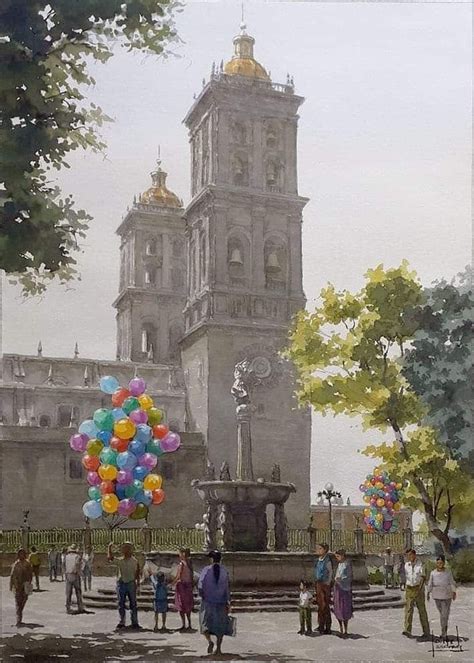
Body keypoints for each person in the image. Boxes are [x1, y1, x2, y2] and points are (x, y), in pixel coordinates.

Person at [198, 550, 231, 656]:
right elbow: (227, 588)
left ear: (211, 559)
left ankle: (210, 641)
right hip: (221, 602)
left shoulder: (206, 570)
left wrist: (202, 595)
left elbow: (200, 585)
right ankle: (219, 648)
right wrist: (228, 601)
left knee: (204, 625)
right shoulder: (224, 571)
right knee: (220, 626)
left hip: (208, 602)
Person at [108, 541, 141, 630]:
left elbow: (138, 573)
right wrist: (109, 548)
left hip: (131, 583)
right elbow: (110, 558)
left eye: (128, 548)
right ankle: (122, 621)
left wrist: (138, 584)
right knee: (121, 603)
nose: (126, 550)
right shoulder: (120, 560)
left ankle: (134, 622)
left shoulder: (135, 561)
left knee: (133, 604)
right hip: (121, 583)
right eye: (124, 548)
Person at [403, 548, 430, 640]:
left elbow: (423, 577)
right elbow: (407, 576)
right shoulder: (406, 565)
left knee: (421, 610)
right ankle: (407, 630)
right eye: (407, 555)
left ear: (414, 555)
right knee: (408, 609)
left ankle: (426, 631)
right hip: (409, 588)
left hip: (418, 588)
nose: (409, 557)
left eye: (410, 555)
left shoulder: (421, 564)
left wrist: (419, 589)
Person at [427, 555, 457, 639]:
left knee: (444, 614)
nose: (439, 564)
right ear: (436, 563)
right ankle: (443, 630)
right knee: (442, 614)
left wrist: (454, 592)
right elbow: (430, 583)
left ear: (443, 563)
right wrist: (428, 592)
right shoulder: (433, 573)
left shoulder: (448, 572)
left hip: (446, 595)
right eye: (438, 563)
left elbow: (452, 582)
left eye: (441, 563)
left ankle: (444, 633)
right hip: (437, 595)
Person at [10, 549, 33, 627]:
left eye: (23, 554)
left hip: (25, 585)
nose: (22, 555)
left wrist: (29, 583)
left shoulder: (28, 563)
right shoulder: (16, 564)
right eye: (20, 554)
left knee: (24, 600)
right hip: (17, 585)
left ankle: (19, 614)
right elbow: (12, 575)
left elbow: (30, 574)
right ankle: (18, 619)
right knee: (18, 602)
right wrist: (11, 585)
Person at [314, 542, 333, 635]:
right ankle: (320, 625)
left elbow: (330, 572)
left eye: (320, 548)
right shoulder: (319, 559)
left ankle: (327, 627)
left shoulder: (327, 560)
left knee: (325, 605)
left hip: (325, 584)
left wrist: (328, 583)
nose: (318, 550)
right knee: (320, 605)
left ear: (325, 550)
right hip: (318, 584)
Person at [333, 549, 353, 636]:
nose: (337, 558)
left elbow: (349, 576)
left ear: (342, 556)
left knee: (345, 608)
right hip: (338, 587)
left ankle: (345, 629)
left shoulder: (347, 565)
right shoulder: (340, 564)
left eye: (338, 556)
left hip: (345, 588)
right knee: (338, 608)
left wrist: (341, 579)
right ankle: (341, 629)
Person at [173, 548, 194, 630]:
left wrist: (172, 583)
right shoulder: (189, 564)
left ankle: (183, 624)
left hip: (182, 586)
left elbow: (178, 576)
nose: (179, 555)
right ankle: (189, 623)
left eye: (180, 553)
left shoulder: (182, 564)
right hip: (188, 586)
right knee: (188, 605)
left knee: (181, 605)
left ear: (183, 554)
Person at [64, 544, 85, 614]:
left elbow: (63, 565)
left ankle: (68, 607)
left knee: (68, 592)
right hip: (75, 574)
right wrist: (80, 574)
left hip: (68, 574)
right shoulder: (77, 556)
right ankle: (80, 607)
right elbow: (77, 565)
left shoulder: (66, 556)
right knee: (78, 591)